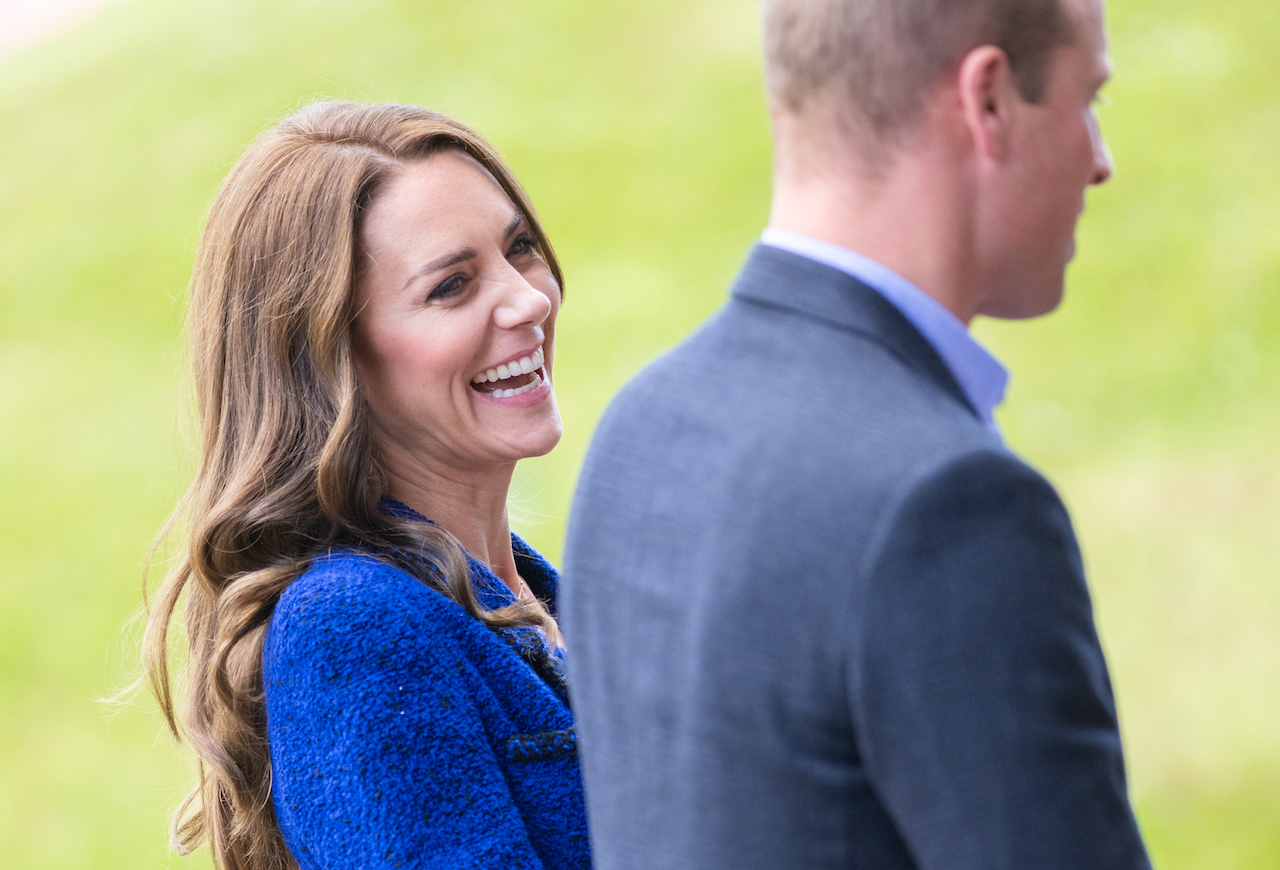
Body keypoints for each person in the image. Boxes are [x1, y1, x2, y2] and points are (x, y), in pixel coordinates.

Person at [561, 0, 1152, 867]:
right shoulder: (948, 505)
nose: (1100, 160)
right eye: (1086, 100)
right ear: (987, 102)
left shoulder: (640, 429)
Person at [142, 101, 590, 870]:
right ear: (329, 363)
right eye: (452, 286)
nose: (529, 299)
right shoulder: (356, 630)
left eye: (519, 249)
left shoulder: (536, 593)